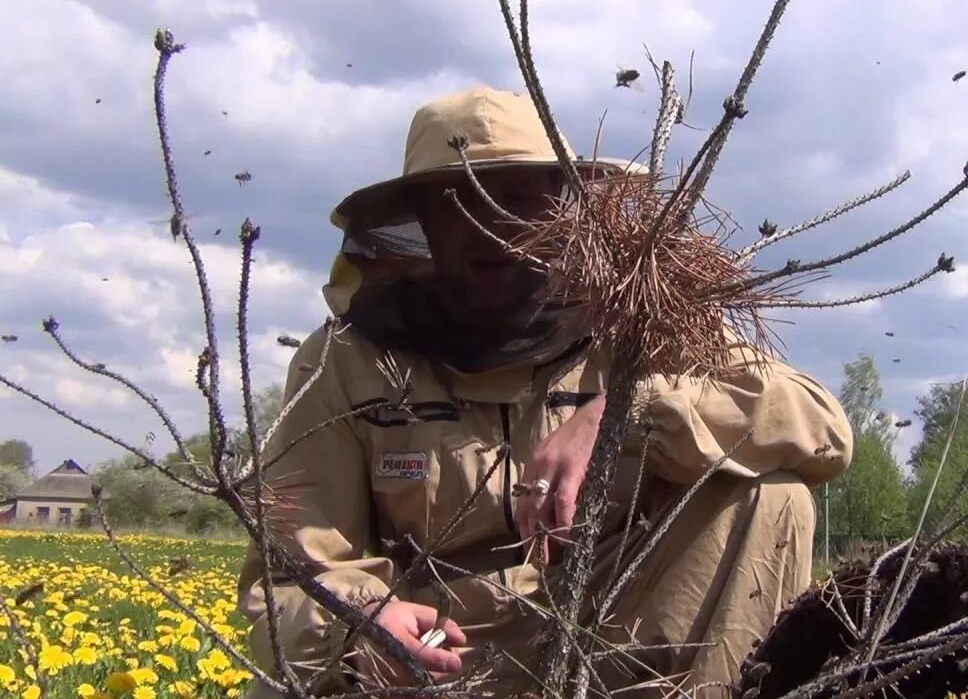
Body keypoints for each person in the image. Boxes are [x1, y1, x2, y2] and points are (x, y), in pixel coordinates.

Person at [236, 86, 855, 698]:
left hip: (617, 637)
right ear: (419, 221)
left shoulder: (640, 322)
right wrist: (363, 625)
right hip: (441, 663)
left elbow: (822, 426)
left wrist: (626, 413)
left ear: (565, 208)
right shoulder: (344, 358)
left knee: (771, 496)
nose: (494, 225)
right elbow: (288, 576)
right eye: (460, 200)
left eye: (518, 197)